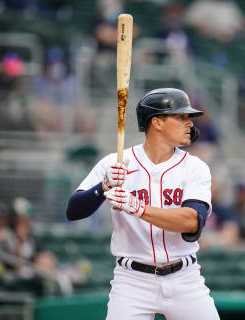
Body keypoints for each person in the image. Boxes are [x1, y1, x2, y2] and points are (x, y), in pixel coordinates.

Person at [66, 88, 220, 319]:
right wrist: (104, 186)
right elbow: (74, 210)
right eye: (181, 117)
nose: (190, 123)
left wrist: (137, 207)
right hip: (132, 281)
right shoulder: (117, 162)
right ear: (157, 123)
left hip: (184, 278)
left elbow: (191, 221)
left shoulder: (195, 167)